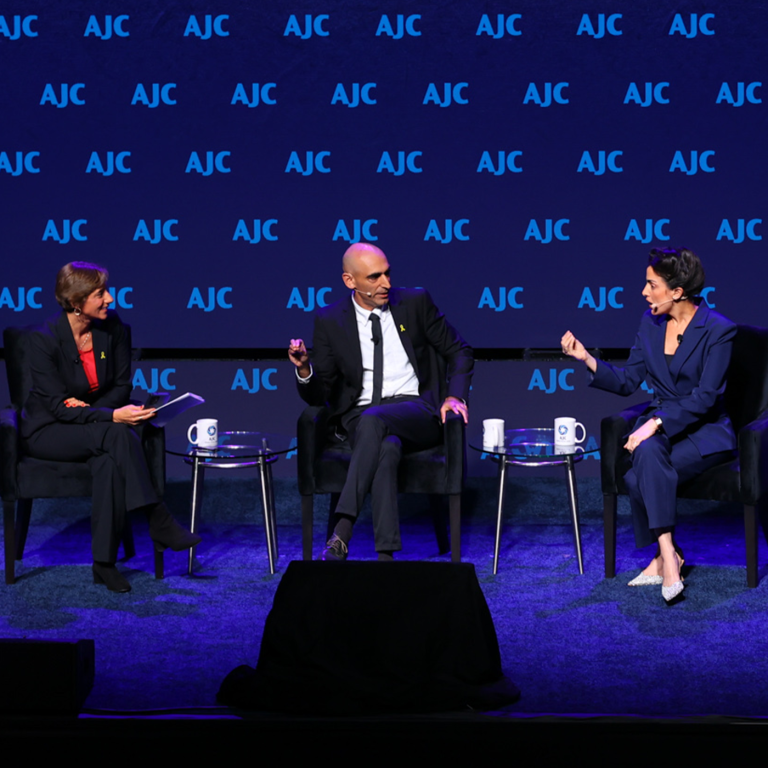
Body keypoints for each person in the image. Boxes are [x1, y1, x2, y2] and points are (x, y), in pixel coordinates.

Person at [561, 247, 736, 604]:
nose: (644, 292)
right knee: (649, 452)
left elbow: (704, 399)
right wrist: (586, 358)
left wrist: (653, 423)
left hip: (704, 429)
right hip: (662, 428)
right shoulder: (649, 322)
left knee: (634, 475)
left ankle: (662, 559)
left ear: (677, 291)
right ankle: (669, 553)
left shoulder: (719, 330)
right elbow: (629, 381)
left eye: (651, 285)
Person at [21, 262, 200, 593]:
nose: (109, 299)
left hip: (91, 428)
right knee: (116, 431)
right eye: (100, 294)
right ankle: (157, 519)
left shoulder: (113, 327)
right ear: (77, 302)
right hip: (49, 431)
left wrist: (100, 412)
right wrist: (109, 416)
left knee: (108, 460)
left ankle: (103, 563)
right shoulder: (42, 339)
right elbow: (58, 407)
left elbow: (121, 387)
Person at [288, 242, 473, 561]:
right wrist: (305, 369)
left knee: (375, 420)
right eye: (374, 277)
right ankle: (386, 557)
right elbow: (322, 392)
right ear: (350, 281)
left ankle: (342, 529)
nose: (386, 283)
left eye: (388, 274)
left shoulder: (415, 302)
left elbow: (460, 350)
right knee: (386, 448)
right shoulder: (330, 320)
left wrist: (454, 395)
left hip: (416, 411)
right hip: (359, 418)